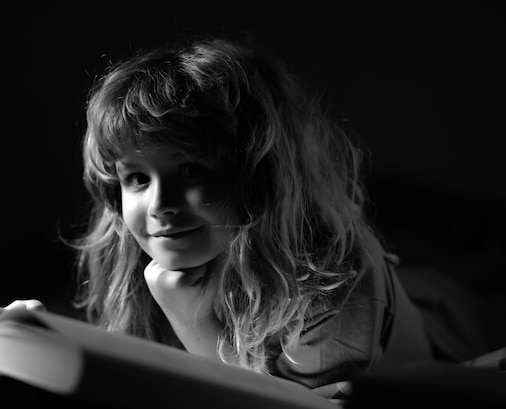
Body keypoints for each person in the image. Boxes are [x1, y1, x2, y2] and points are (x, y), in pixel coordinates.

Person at [72, 36, 502, 398]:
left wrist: (193, 320)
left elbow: (273, 406)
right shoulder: (140, 265)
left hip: (451, 320)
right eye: (137, 179)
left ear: (260, 175)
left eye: (191, 170)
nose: (161, 203)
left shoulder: (336, 278)